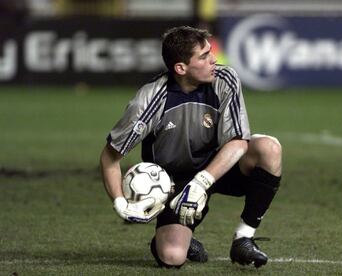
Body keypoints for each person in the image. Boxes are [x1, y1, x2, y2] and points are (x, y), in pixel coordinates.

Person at [100, 26, 282, 268]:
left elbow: (238, 141)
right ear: (181, 68)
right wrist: (120, 203)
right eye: (204, 56)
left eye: (211, 52)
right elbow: (110, 158)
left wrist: (202, 183)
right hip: (174, 182)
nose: (213, 60)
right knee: (172, 256)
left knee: (269, 148)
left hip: (216, 167)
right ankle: (174, 239)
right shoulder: (150, 99)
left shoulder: (225, 79)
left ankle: (243, 238)